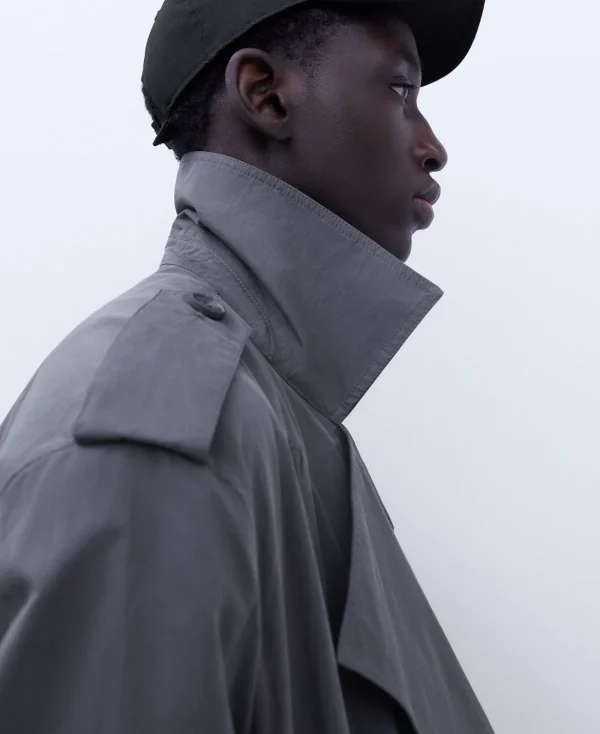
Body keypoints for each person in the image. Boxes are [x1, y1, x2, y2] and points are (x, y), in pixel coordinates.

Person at [0, 1, 493, 732]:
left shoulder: (277, 415)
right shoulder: (163, 435)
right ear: (265, 95)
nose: (432, 147)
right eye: (399, 90)